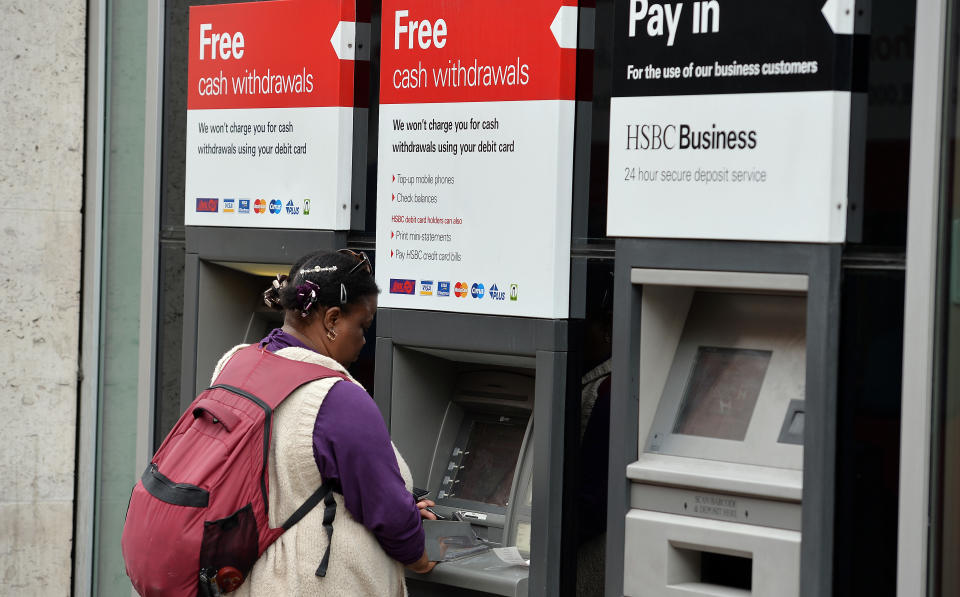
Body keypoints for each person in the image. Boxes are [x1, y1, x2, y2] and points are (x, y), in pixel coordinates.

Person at [218, 249, 436, 596]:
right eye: (362, 325)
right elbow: (391, 519)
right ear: (332, 320)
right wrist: (425, 558)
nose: (364, 340)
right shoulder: (337, 398)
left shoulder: (236, 363)